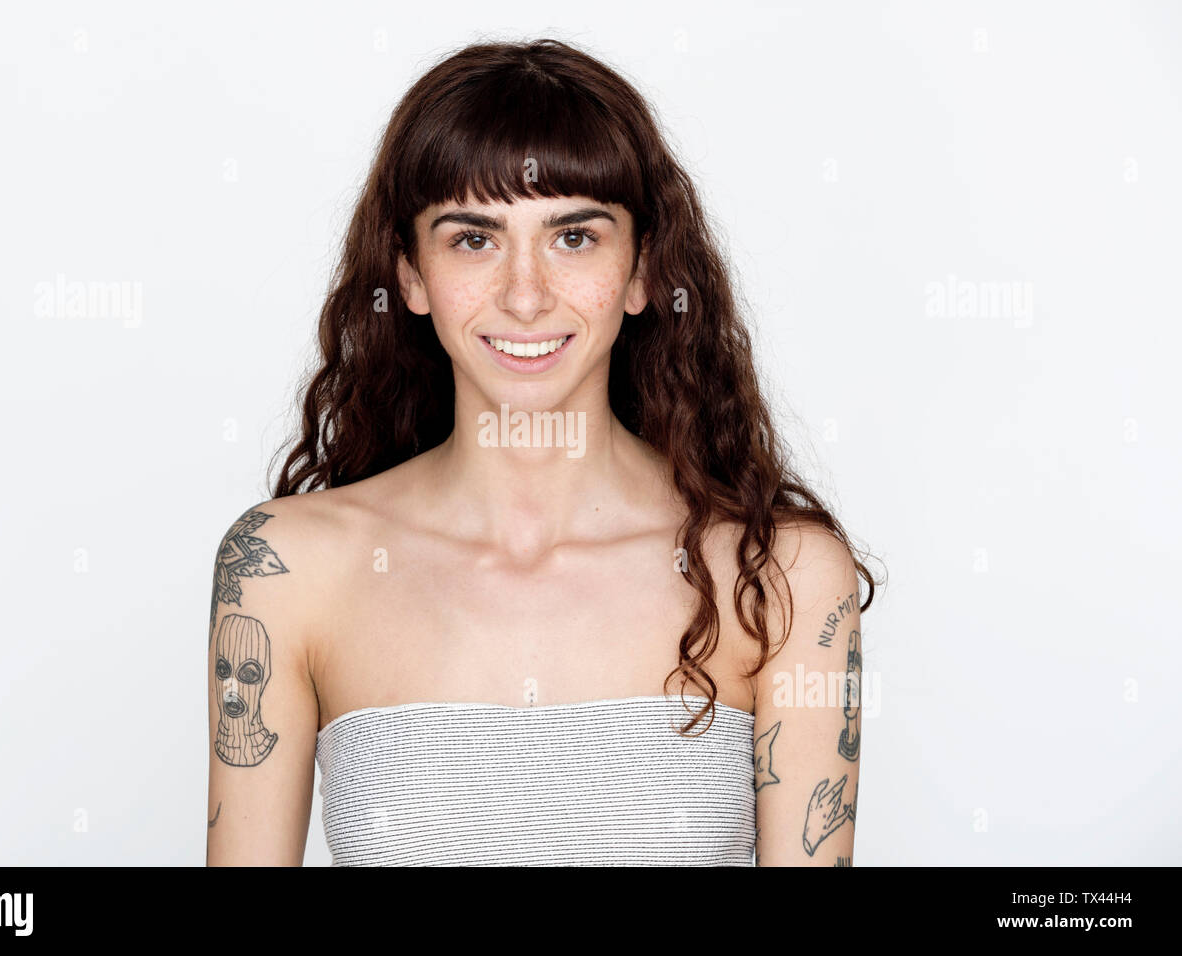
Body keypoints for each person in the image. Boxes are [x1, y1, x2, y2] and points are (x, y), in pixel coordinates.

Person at [205, 37, 878, 866]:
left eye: (574, 238)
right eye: (473, 240)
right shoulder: (281, 571)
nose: (525, 297)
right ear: (409, 275)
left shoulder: (781, 576)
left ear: (641, 271)